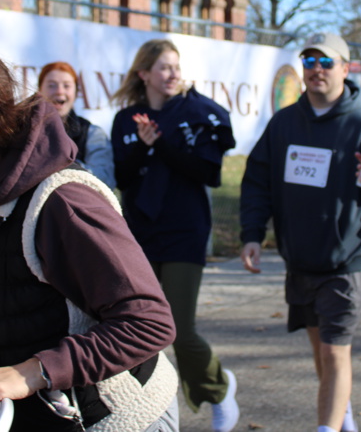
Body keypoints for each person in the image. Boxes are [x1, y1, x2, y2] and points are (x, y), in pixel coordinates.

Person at [0, 35, 179, 431]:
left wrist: (35, 371)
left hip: (118, 420)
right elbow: (0, 312)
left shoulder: (62, 202)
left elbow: (149, 323)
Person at [239, 32, 361, 432]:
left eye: (326, 62)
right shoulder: (284, 123)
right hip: (301, 260)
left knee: (334, 353)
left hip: (348, 261)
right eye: (309, 62)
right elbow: (257, 181)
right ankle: (343, 422)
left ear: (345, 69)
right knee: (322, 354)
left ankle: (327, 428)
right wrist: (252, 234)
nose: (317, 70)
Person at [110, 39, 239, 432]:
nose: (172, 74)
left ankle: (218, 389)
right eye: (164, 67)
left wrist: (162, 144)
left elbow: (208, 173)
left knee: (180, 331)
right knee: (138, 327)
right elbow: (122, 178)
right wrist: (143, 147)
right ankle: (146, 409)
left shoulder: (194, 114)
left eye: (175, 67)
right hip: (141, 234)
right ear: (144, 73)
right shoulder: (126, 119)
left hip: (185, 231)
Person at [38, 61, 116, 189]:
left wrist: (61, 165)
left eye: (66, 86)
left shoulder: (92, 133)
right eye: (52, 85)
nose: (59, 91)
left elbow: (105, 179)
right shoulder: (25, 130)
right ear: (39, 91)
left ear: (76, 92)